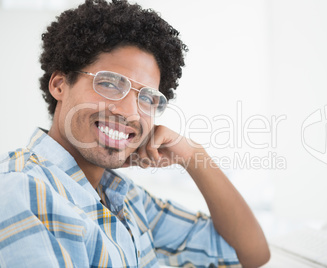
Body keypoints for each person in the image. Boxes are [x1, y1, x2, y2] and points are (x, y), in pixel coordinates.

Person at [0, 0, 270, 267]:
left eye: (147, 98)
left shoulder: (124, 196)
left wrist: (192, 154)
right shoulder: (21, 192)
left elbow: (248, 253)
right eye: (108, 83)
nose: (130, 113)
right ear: (59, 85)